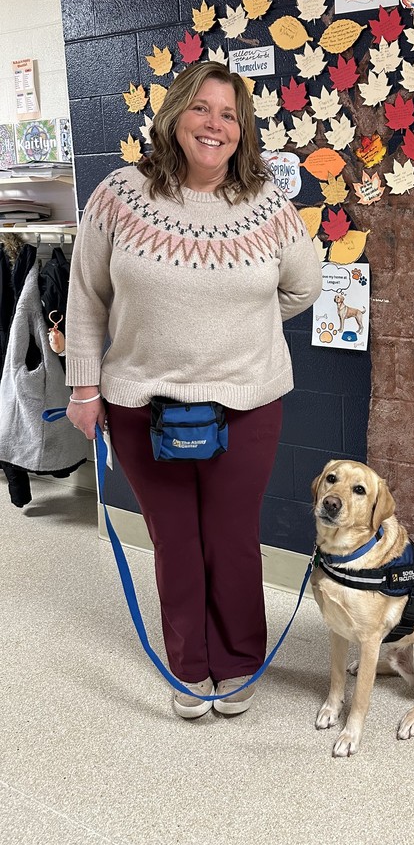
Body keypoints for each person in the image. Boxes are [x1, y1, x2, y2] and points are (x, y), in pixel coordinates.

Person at [65, 61, 322, 719]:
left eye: (230, 114)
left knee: (232, 537)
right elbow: (88, 299)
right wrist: (84, 388)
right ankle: (189, 666)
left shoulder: (266, 201)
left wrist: (243, 332)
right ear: (176, 115)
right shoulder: (120, 193)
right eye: (202, 109)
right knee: (175, 539)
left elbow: (304, 286)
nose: (215, 124)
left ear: (244, 130)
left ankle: (237, 661)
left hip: (249, 403)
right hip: (139, 405)